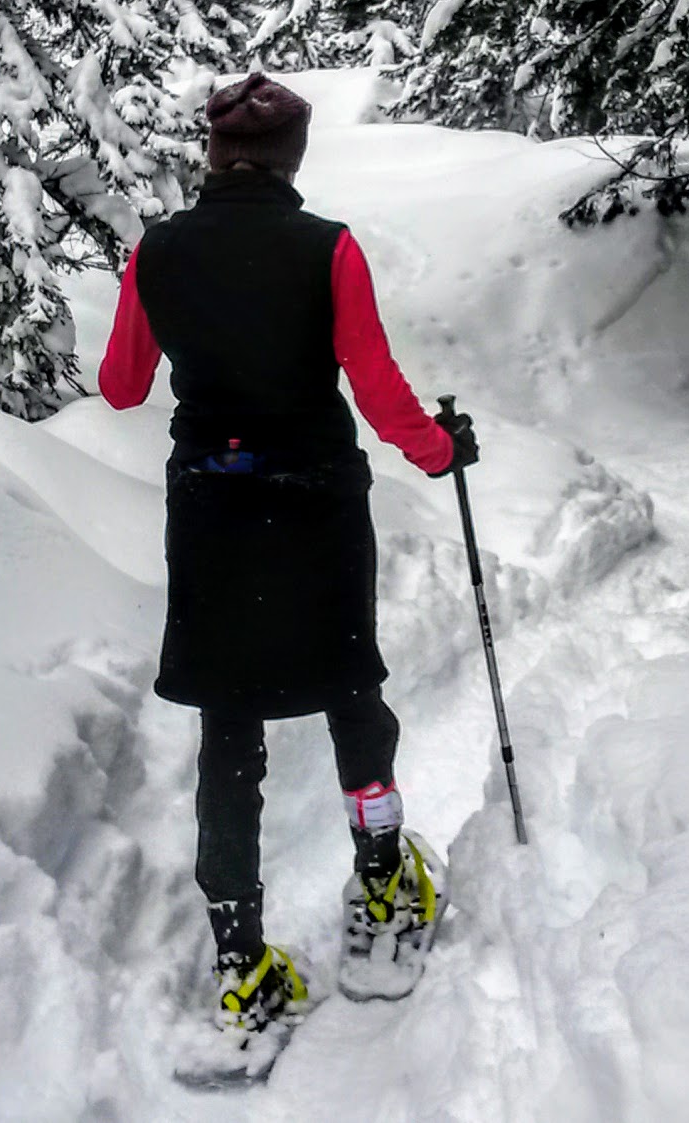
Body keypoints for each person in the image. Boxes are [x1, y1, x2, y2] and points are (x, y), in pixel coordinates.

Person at [99, 73, 481, 1038]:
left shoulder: (158, 251)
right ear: (293, 160)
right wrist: (441, 451)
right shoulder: (328, 250)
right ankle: (387, 877)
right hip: (314, 502)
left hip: (211, 510)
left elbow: (118, 385)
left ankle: (240, 956)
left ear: (214, 156)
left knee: (230, 728)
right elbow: (381, 388)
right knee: (352, 687)